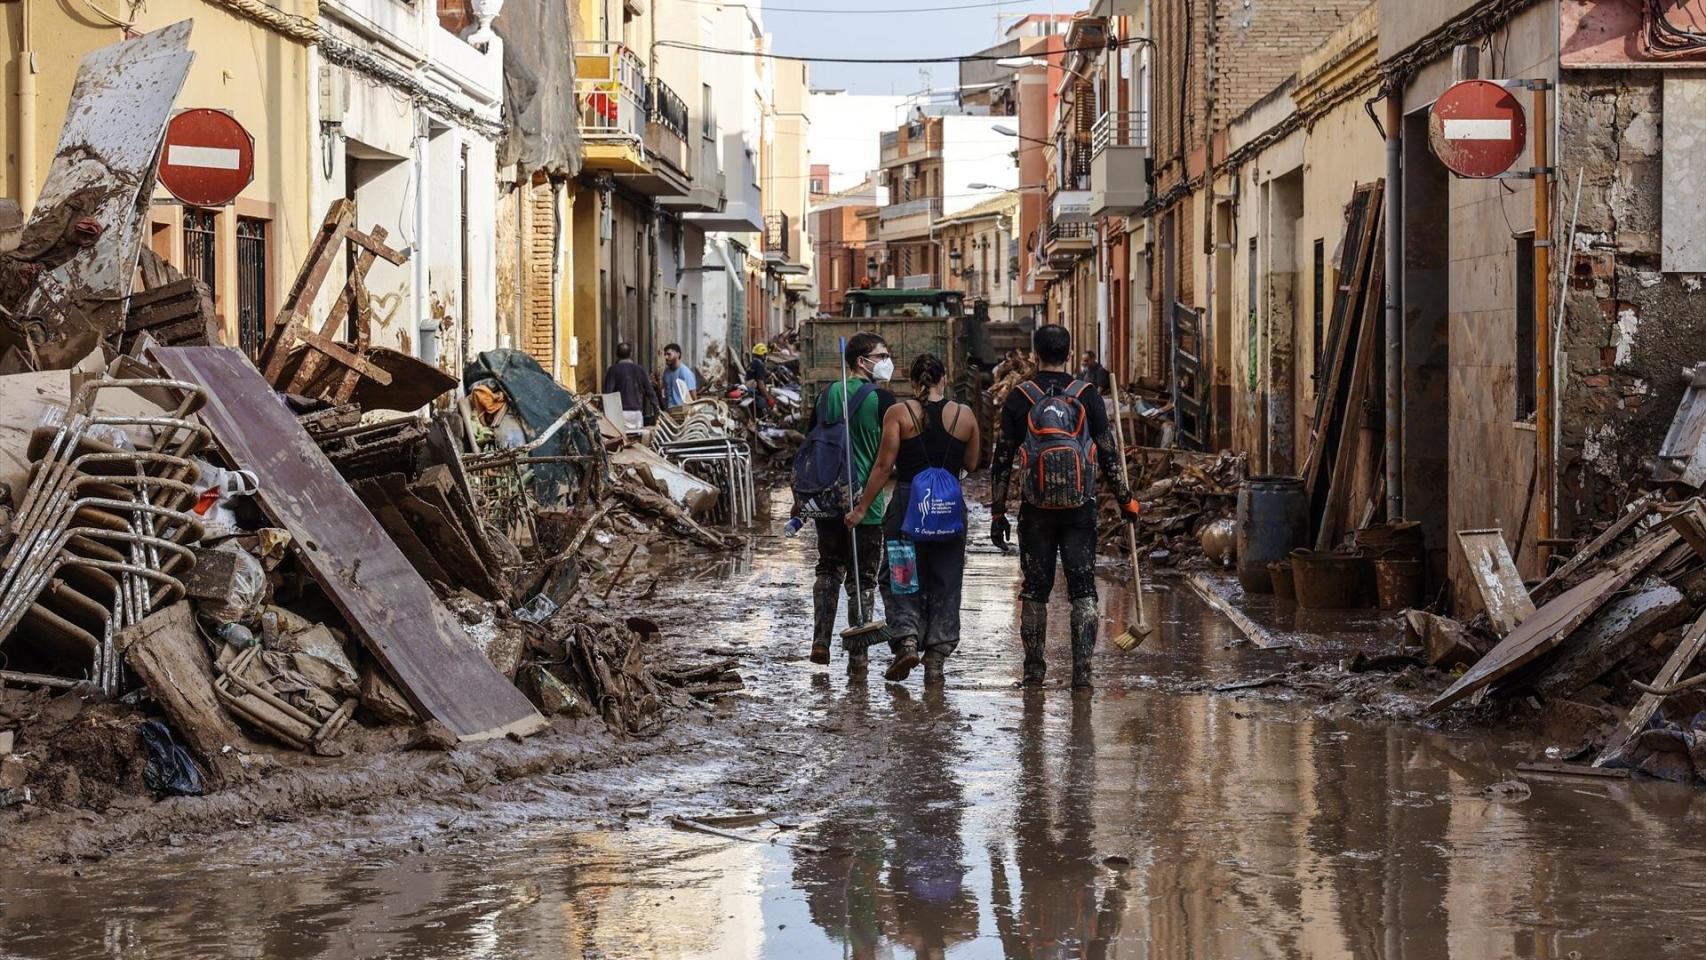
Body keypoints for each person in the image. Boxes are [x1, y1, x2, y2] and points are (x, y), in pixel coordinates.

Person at [989, 324, 1141, 690]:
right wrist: (1126, 499)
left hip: (1036, 509)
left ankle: (1034, 671)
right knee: (1083, 590)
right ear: (1069, 354)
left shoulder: (1020, 397)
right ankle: (1082, 673)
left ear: (1035, 354)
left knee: (1035, 590)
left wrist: (998, 512)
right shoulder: (1086, 395)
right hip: (1079, 510)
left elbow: (1002, 458)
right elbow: (1108, 453)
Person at [846, 353, 980, 686]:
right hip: (948, 508)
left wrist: (862, 507)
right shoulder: (965, 415)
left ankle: (906, 639)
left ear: (914, 382)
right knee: (946, 578)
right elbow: (974, 463)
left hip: (907, 503)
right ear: (943, 379)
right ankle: (936, 658)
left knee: (900, 572)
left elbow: (882, 466)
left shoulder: (899, 413)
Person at [811, 332, 896, 678]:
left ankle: (821, 640)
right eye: (882, 355)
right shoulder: (882, 399)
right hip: (867, 503)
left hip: (829, 498)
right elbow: (889, 458)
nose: (887, 361)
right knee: (863, 579)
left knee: (828, 567)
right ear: (862, 361)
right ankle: (858, 659)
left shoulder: (826, 394)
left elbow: (813, 438)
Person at [603, 342, 660, 434]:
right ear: (631, 354)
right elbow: (650, 392)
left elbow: (608, 393)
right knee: (637, 442)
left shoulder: (612, 371)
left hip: (619, 413)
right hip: (636, 413)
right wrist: (657, 410)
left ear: (616, 355)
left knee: (621, 441)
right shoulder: (639, 370)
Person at [661, 342, 697, 409]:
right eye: (665, 354)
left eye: (669, 354)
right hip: (669, 411)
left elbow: (693, 397)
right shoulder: (666, 372)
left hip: (682, 412)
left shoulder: (685, 373)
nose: (666, 357)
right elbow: (664, 392)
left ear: (678, 354)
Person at [746, 342, 773, 415]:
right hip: (758, 396)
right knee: (769, 413)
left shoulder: (750, 364)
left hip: (750, 394)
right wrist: (769, 398)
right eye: (765, 354)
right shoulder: (760, 366)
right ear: (763, 355)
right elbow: (761, 385)